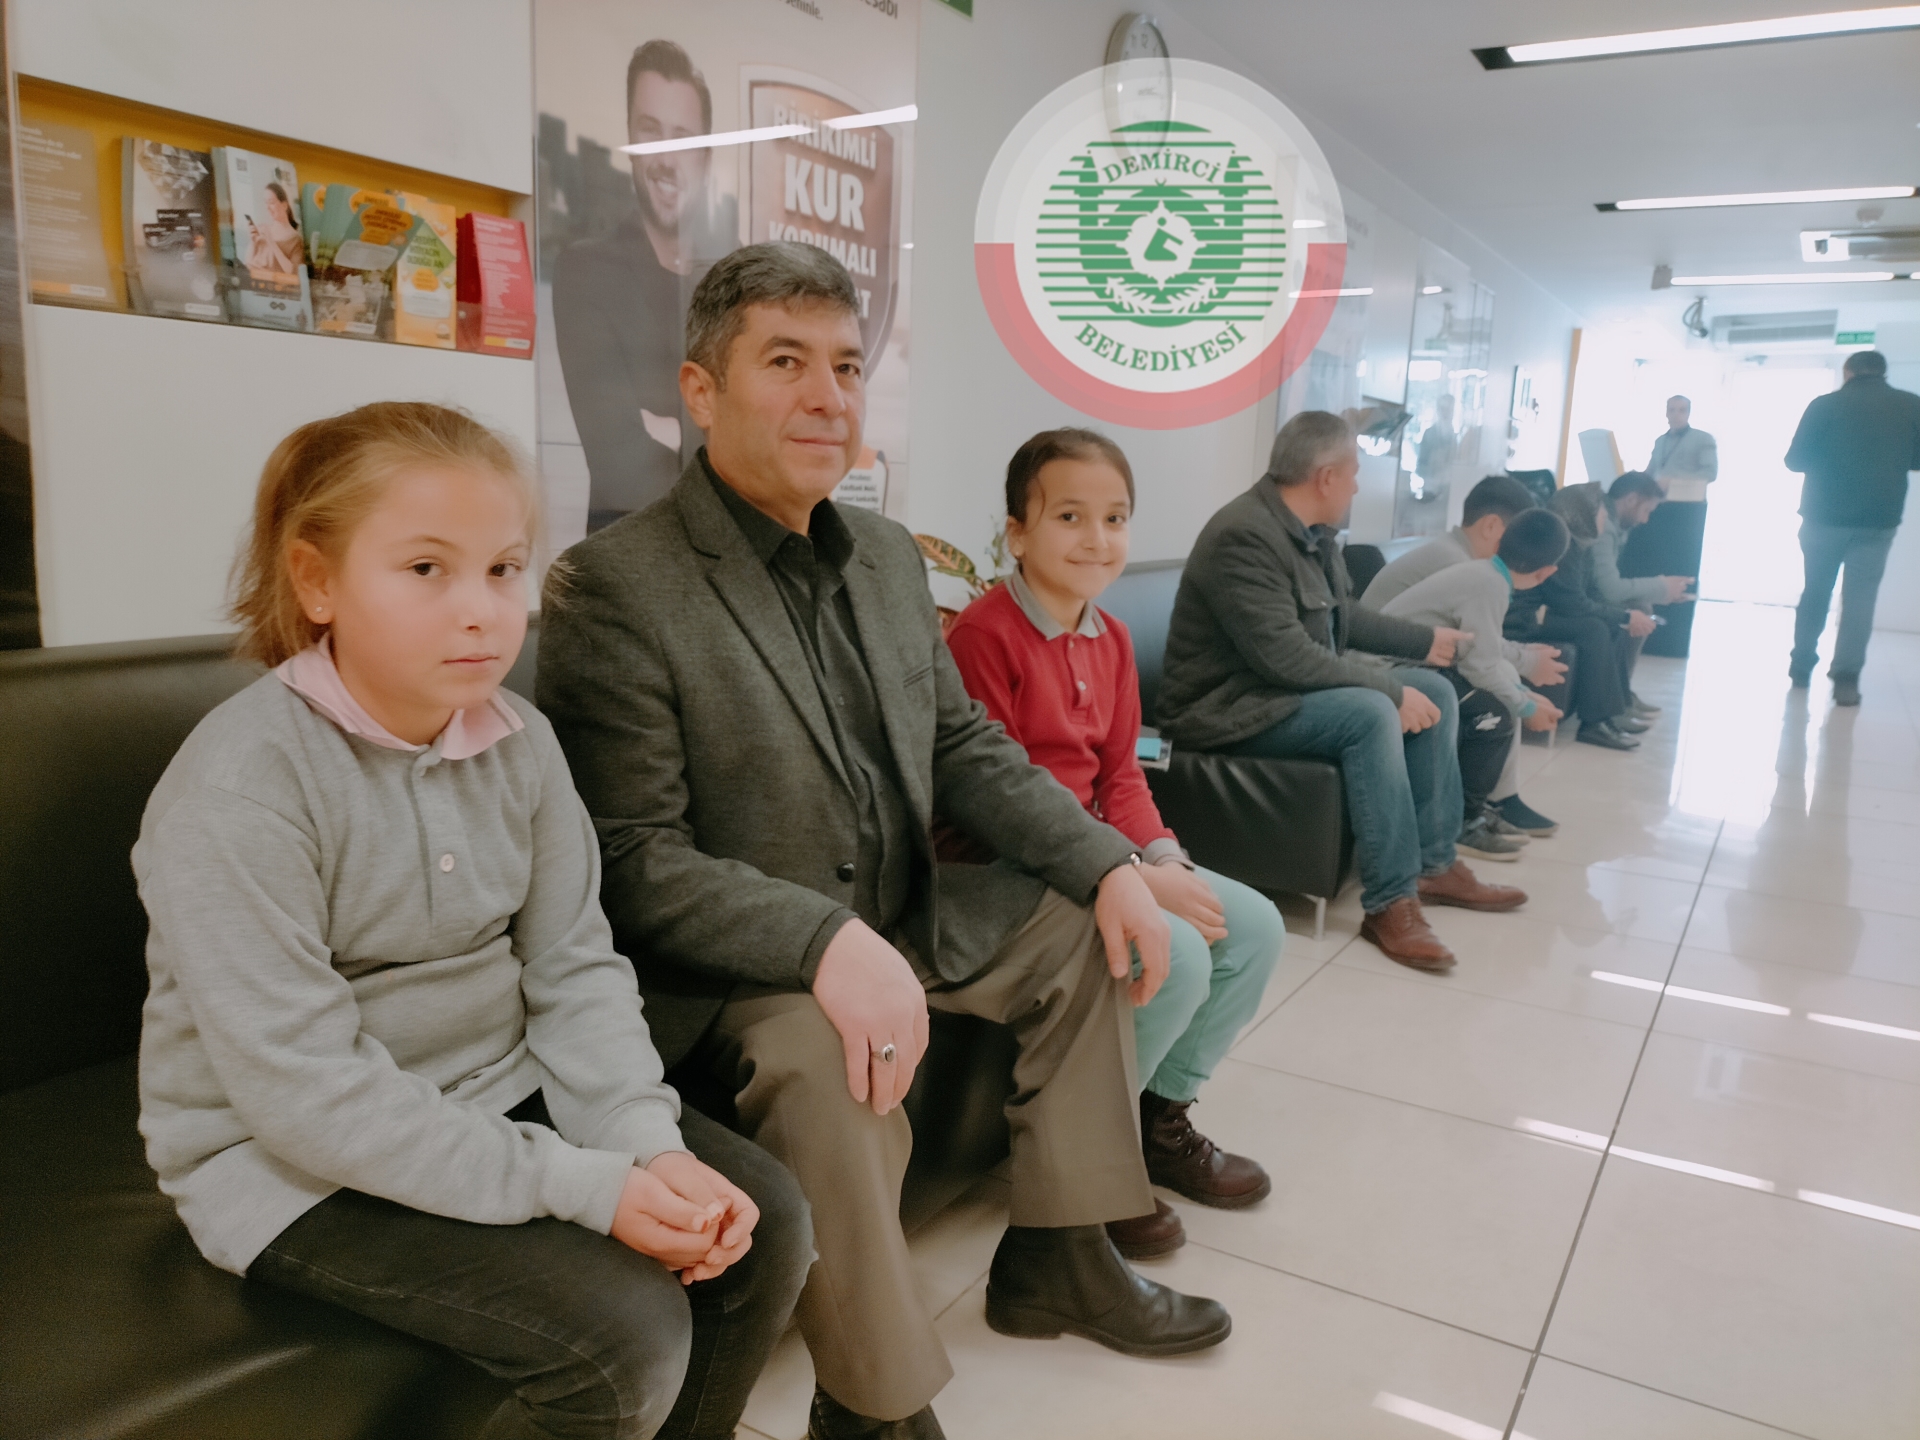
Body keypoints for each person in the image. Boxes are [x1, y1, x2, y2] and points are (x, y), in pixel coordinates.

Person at [537, 243, 1229, 1440]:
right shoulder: (616, 585)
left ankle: (1058, 1256)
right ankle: (873, 1407)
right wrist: (821, 942)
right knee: (829, 1052)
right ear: (701, 392)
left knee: (1083, 928)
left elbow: (966, 748)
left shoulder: (888, 561)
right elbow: (634, 858)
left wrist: (1107, 862)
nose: (828, 397)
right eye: (785, 362)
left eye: (847, 366)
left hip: (905, 912)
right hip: (741, 969)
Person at [134, 402, 813, 1440]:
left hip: (499, 1089)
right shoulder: (240, 790)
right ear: (316, 581)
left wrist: (644, 1143)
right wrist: (584, 1187)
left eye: (504, 570)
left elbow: (573, 967)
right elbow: (304, 1092)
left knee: (762, 1231)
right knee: (622, 1343)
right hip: (287, 1163)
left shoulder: (521, 742)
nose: (482, 612)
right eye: (426, 569)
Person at [942, 428, 1284, 1263]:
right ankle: (1092, 1162)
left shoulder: (1114, 638)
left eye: (1115, 518)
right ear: (1017, 532)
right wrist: (1125, 872)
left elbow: (1121, 776)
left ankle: (1154, 1124)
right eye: (1069, 516)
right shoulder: (983, 636)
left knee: (1254, 927)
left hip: (1102, 855)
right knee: (1178, 950)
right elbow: (998, 801)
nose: (1097, 539)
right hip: (1001, 861)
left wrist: (1162, 858)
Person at [1156, 410, 1526, 975]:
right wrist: (1388, 691)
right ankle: (1390, 903)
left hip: (1279, 693)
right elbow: (1285, 656)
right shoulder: (1243, 536)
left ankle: (1434, 865)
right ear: (1325, 477)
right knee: (1371, 711)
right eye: (1353, 473)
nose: (1356, 486)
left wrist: (1424, 641)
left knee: (1434, 689)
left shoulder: (1315, 535)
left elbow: (1342, 619)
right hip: (1227, 707)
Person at [553, 40, 732, 531]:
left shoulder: (736, 284)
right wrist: (717, 435)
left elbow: (765, 446)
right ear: (630, 143)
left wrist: (671, 430)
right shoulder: (588, 271)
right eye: (650, 131)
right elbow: (618, 460)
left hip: (732, 559)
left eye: (683, 138)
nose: (666, 158)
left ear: (705, 158)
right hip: (631, 555)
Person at [1362, 472, 1568, 843]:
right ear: (1546, 573)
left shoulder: (1484, 572)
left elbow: (1479, 648)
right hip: (1391, 667)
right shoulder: (1480, 576)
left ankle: (1481, 808)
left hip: (1414, 660)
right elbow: (1481, 663)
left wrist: (1522, 692)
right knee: (1495, 716)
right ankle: (1468, 819)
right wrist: (1525, 705)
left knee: (1500, 696)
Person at [1784, 350, 1920, 706]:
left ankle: (1801, 666)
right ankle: (1846, 679)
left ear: (1848, 373)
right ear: (1883, 373)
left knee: (1816, 590)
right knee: (1860, 599)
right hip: (1879, 519)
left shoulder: (1824, 405)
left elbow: (1795, 460)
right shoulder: (1911, 405)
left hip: (1823, 515)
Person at [1625, 394, 1715, 656]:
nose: (1676, 414)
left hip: (1685, 512)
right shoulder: (1660, 441)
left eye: (1681, 410)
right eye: (1671, 410)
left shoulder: (1703, 439)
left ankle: (1672, 640)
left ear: (1689, 412)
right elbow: (1651, 472)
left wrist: (1673, 480)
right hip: (1657, 510)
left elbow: (1710, 473)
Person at [1597, 471, 1690, 720]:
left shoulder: (1615, 524)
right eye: (1646, 510)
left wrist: (1663, 591)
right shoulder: (1604, 525)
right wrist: (1661, 587)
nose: (1645, 519)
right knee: (1639, 609)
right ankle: (1618, 698)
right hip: (1581, 600)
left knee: (1640, 606)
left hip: (1590, 594)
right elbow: (1609, 589)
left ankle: (1622, 693)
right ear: (1630, 499)